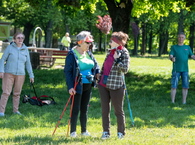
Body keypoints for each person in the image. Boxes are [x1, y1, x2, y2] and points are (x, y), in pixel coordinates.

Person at [64, 31, 100, 137]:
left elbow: (95, 65)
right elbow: (68, 72)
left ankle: (84, 131)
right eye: (87, 43)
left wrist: (97, 73)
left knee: (85, 108)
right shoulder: (72, 54)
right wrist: (70, 87)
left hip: (88, 84)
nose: (90, 45)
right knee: (75, 108)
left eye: (90, 43)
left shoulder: (89, 53)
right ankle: (73, 131)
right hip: (77, 85)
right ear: (80, 42)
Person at [98, 31, 130, 139]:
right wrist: (99, 78)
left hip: (116, 86)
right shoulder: (109, 52)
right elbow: (104, 67)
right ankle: (106, 132)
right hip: (103, 84)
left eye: (112, 40)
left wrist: (117, 60)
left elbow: (125, 69)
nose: (110, 42)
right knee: (104, 110)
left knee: (118, 111)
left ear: (117, 42)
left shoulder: (124, 52)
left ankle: (121, 132)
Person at [0, 32, 34, 117]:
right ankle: (1, 112)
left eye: (22, 38)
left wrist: (31, 75)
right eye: (18, 38)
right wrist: (1, 71)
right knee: (6, 92)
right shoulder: (10, 48)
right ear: (14, 39)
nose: (20, 40)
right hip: (8, 73)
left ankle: (15, 110)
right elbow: (2, 59)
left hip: (21, 74)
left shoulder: (25, 49)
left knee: (17, 93)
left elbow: (28, 63)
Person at [169, 32, 195, 104]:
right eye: (179, 37)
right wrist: (172, 58)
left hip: (185, 70)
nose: (181, 39)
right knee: (174, 85)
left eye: (182, 37)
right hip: (176, 69)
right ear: (177, 38)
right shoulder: (174, 47)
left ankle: (184, 102)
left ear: (184, 38)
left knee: (185, 86)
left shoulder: (187, 47)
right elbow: (171, 55)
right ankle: (172, 102)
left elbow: (192, 56)